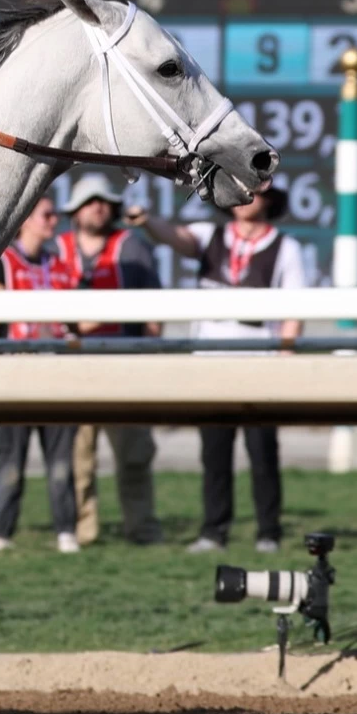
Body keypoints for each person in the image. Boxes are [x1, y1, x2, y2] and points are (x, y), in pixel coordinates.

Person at [128, 183, 304, 554]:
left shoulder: (286, 247)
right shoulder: (212, 235)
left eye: (254, 193)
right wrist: (146, 222)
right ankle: (214, 531)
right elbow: (176, 238)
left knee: (263, 452)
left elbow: (294, 310)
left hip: (259, 359)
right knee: (214, 452)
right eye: (239, 193)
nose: (245, 200)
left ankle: (268, 532)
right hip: (211, 359)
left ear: (271, 201)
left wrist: (285, 360)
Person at [54, 173, 164, 547]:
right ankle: (85, 531)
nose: (98, 207)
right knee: (78, 459)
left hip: (124, 362)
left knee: (134, 456)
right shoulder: (59, 248)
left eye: (104, 201)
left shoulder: (132, 246)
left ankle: (143, 529)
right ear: (76, 210)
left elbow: (154, 311)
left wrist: (151, 354)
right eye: (90, 201)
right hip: (74, 365)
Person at [0, 195, 79, 554]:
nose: (54, 221)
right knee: (9, 463)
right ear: (26, 218)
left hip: (54, 373)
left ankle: (66, 532)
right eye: (47, 214)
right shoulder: (3, 262)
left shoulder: (59, 264)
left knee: (60, 463)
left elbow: (74, 320)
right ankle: (2, 534)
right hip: (14, 374)